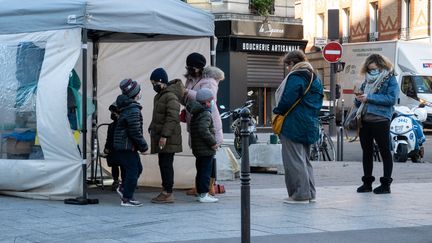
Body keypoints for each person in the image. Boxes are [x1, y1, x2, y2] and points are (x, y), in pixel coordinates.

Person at [273, 50, 323, 204]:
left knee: (294, 160)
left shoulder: (297, 76)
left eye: (288, 65)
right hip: (310, 123)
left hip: (294, 123)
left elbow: (287, 99)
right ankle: (310, 194)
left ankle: (300, 195)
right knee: (304, 160)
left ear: (292, 63)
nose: (287, 69)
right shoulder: (315, 77)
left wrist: (277, 111)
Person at [355, 54, 399, 194]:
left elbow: (391, 99)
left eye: (375, 69)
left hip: (381, 120)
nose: (372, 72)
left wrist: (369, 98)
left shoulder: (390, 79)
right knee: (366, 153)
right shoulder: (366, 81)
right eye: (369, 69)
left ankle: (386, 185)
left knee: (385, 152)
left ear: (381, 67)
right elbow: (359, 103)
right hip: (365, 120)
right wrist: (359, 98)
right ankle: (367, 183)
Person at [183, 53, 224, 196]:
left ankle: (208, 187)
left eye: (190, 66)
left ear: (196, 67)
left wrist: (186, 92)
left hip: (208, 122)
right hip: (195, 121)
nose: (188, 69)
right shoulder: (191, 79)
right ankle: (201, 186)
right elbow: (188, 98)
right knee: (201, 158)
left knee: (208, 157)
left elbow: (208, 98)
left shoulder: (209, 81)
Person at [148, 68, 184, 204]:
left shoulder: (170, 96)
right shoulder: (161, 95)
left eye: (155, 83)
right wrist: (152, 125)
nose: (153, 86)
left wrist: (164, 136)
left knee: (166, 164)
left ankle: (167, 193)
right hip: (162, 136)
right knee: (163, 164)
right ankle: (166, 190)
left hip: (168, 138)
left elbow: (173, 117)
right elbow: (159, 115)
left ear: (162, 81)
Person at [114, 78, 149, 207]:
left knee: (137, 169)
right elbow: (134, 131)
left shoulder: (128, 107)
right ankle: (127, 198)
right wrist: (144, 147)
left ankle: (124, 189)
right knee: (133, 171)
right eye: (139, 90)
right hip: (126, 146)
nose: (140, 92)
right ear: (135, 93)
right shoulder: (133, 109)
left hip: (127, 146)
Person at [187, 88, 219, 203]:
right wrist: (213, 143)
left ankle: (200, 192)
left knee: (200, 171)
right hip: (205, 149)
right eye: (211, 101)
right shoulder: (205, 113)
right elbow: (203, 130)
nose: (212, 103)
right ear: (206, 102)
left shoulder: (196, 113)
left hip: (198, 148)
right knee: (205, 172)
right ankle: (204, 194)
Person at [104, 102, 124, 191]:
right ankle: (116, 180)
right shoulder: (112, 125)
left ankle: (124, 182)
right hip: (113, 149)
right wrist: (107, 147)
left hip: (122, 149)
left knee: (123, 166)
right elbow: (109, 138)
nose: (112, 114)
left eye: (113, 112)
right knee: (114, 165)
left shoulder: (123, 123)